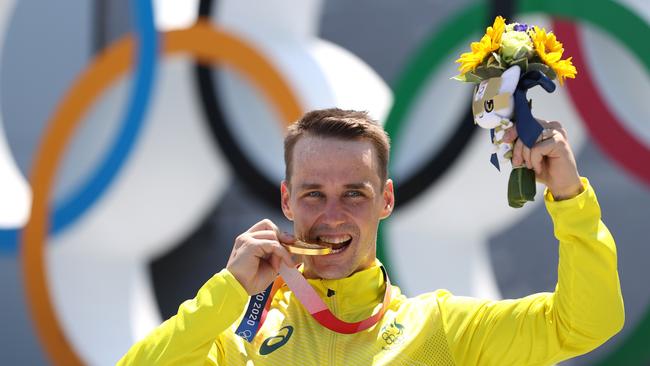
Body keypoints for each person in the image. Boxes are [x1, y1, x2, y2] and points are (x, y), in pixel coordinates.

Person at [118, 108, 624, 365]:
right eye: (313, 194)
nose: (333, 215)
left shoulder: (440, 330)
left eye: (354, 195)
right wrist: (228, 291)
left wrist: (570, 199)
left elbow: (585, 325)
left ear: (386, 200)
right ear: (286, 201)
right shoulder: (240, 335)